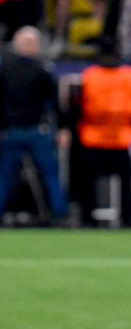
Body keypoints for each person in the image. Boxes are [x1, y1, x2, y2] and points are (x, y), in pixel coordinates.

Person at [0, 26, 70, 223]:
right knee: (49, 175)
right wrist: (63, 128)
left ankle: (59, 213)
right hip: (35, 131)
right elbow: (55, 103)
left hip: (13, 131)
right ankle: (60, 214)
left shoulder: (5, 68)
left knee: (4, 176)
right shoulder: (42, 69)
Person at [71, 38, 131, 227]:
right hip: (111, 137)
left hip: (101, 137)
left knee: (93, 182)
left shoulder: (91, 75)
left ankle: (91, 217)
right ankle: (125, 216)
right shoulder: (128, 75)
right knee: (113, 182)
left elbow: (78, 106)